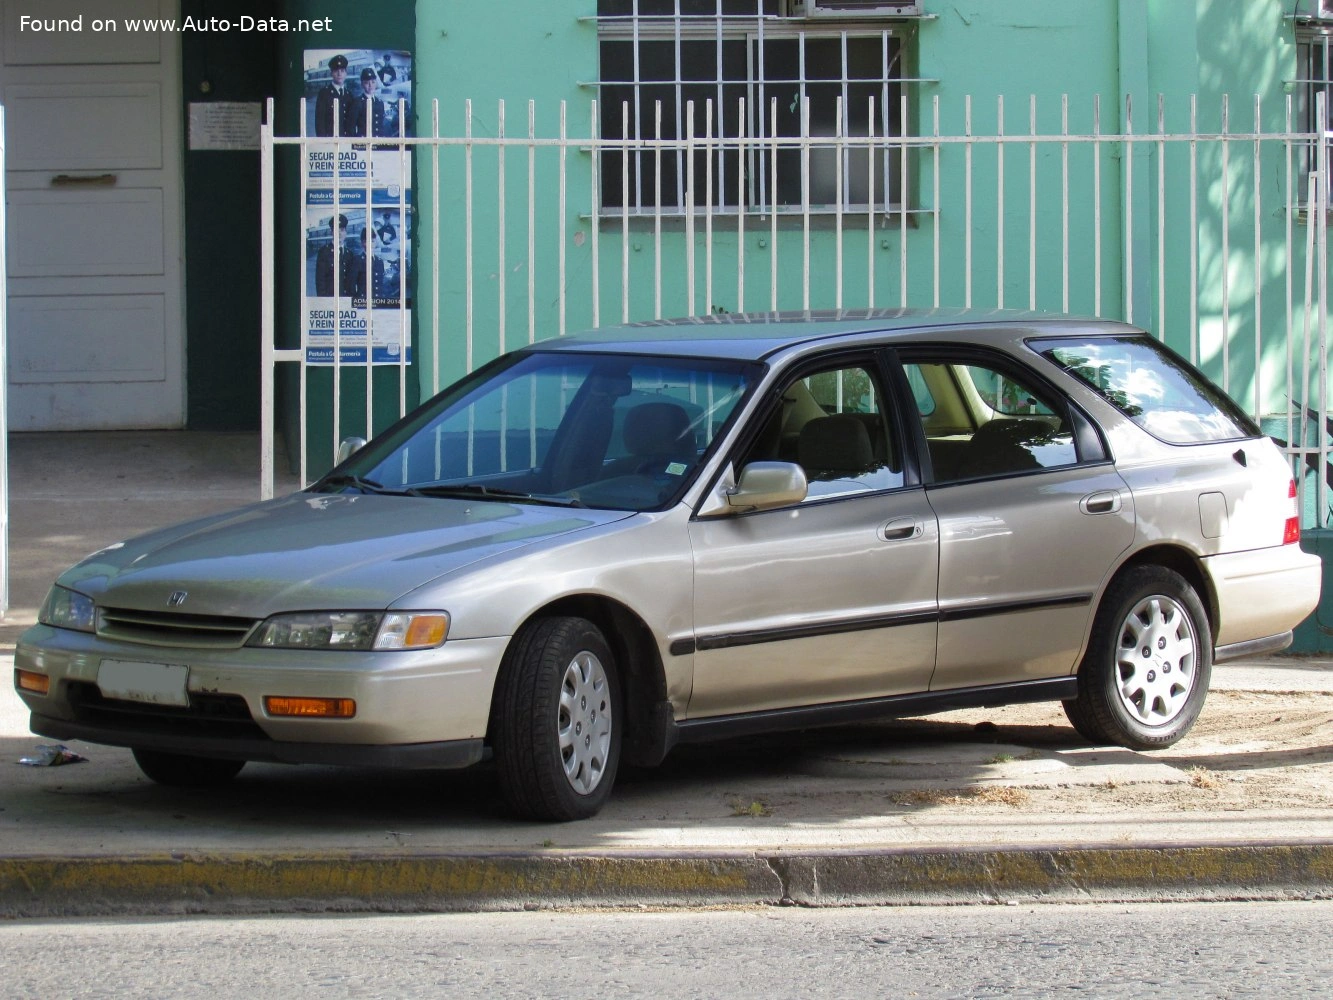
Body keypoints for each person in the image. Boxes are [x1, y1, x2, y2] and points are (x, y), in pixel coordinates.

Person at [314, 214, 355, 297]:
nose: (339, 233)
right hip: (329, 299)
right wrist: (323, 301)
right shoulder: (324, 252)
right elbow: (320, 281)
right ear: (331, 232)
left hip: (346, 300)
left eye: (342, 230)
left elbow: (351, 282)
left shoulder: (350, 254)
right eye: (336, 230)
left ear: (346, 232)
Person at [313, 54, 350, 137]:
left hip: (346, 140)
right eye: (336, 71)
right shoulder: (324, 93)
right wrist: (323, 142)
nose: (339, 74)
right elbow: (320, 122)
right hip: (330, 139)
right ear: (331, 73)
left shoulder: (349, 95)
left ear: (346, 73)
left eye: (342, 71)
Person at [347, 67, 386, 138]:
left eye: (373, 82)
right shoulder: (357, 102)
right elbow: (351, 127)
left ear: (376, 83)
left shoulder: (380, 103)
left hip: (378, 141)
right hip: (363, 141)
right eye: (367, 83)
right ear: (362, 84)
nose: (370, 85)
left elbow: (380, 126)